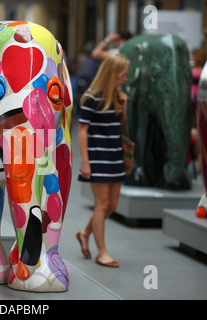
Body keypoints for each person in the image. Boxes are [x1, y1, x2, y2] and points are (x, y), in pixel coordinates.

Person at [76, 53, 130, 268]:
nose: (125, 79)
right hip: (98, 155)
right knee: (102, 204)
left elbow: (119, 126)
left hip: (115, 154)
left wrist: (123, 106)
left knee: (112, 205)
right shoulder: (92, 97)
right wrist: (86, 162)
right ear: (112, 74)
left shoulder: (117, 96)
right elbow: (82, 130)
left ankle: (84, 233)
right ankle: (102, 252)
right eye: (122, 75)